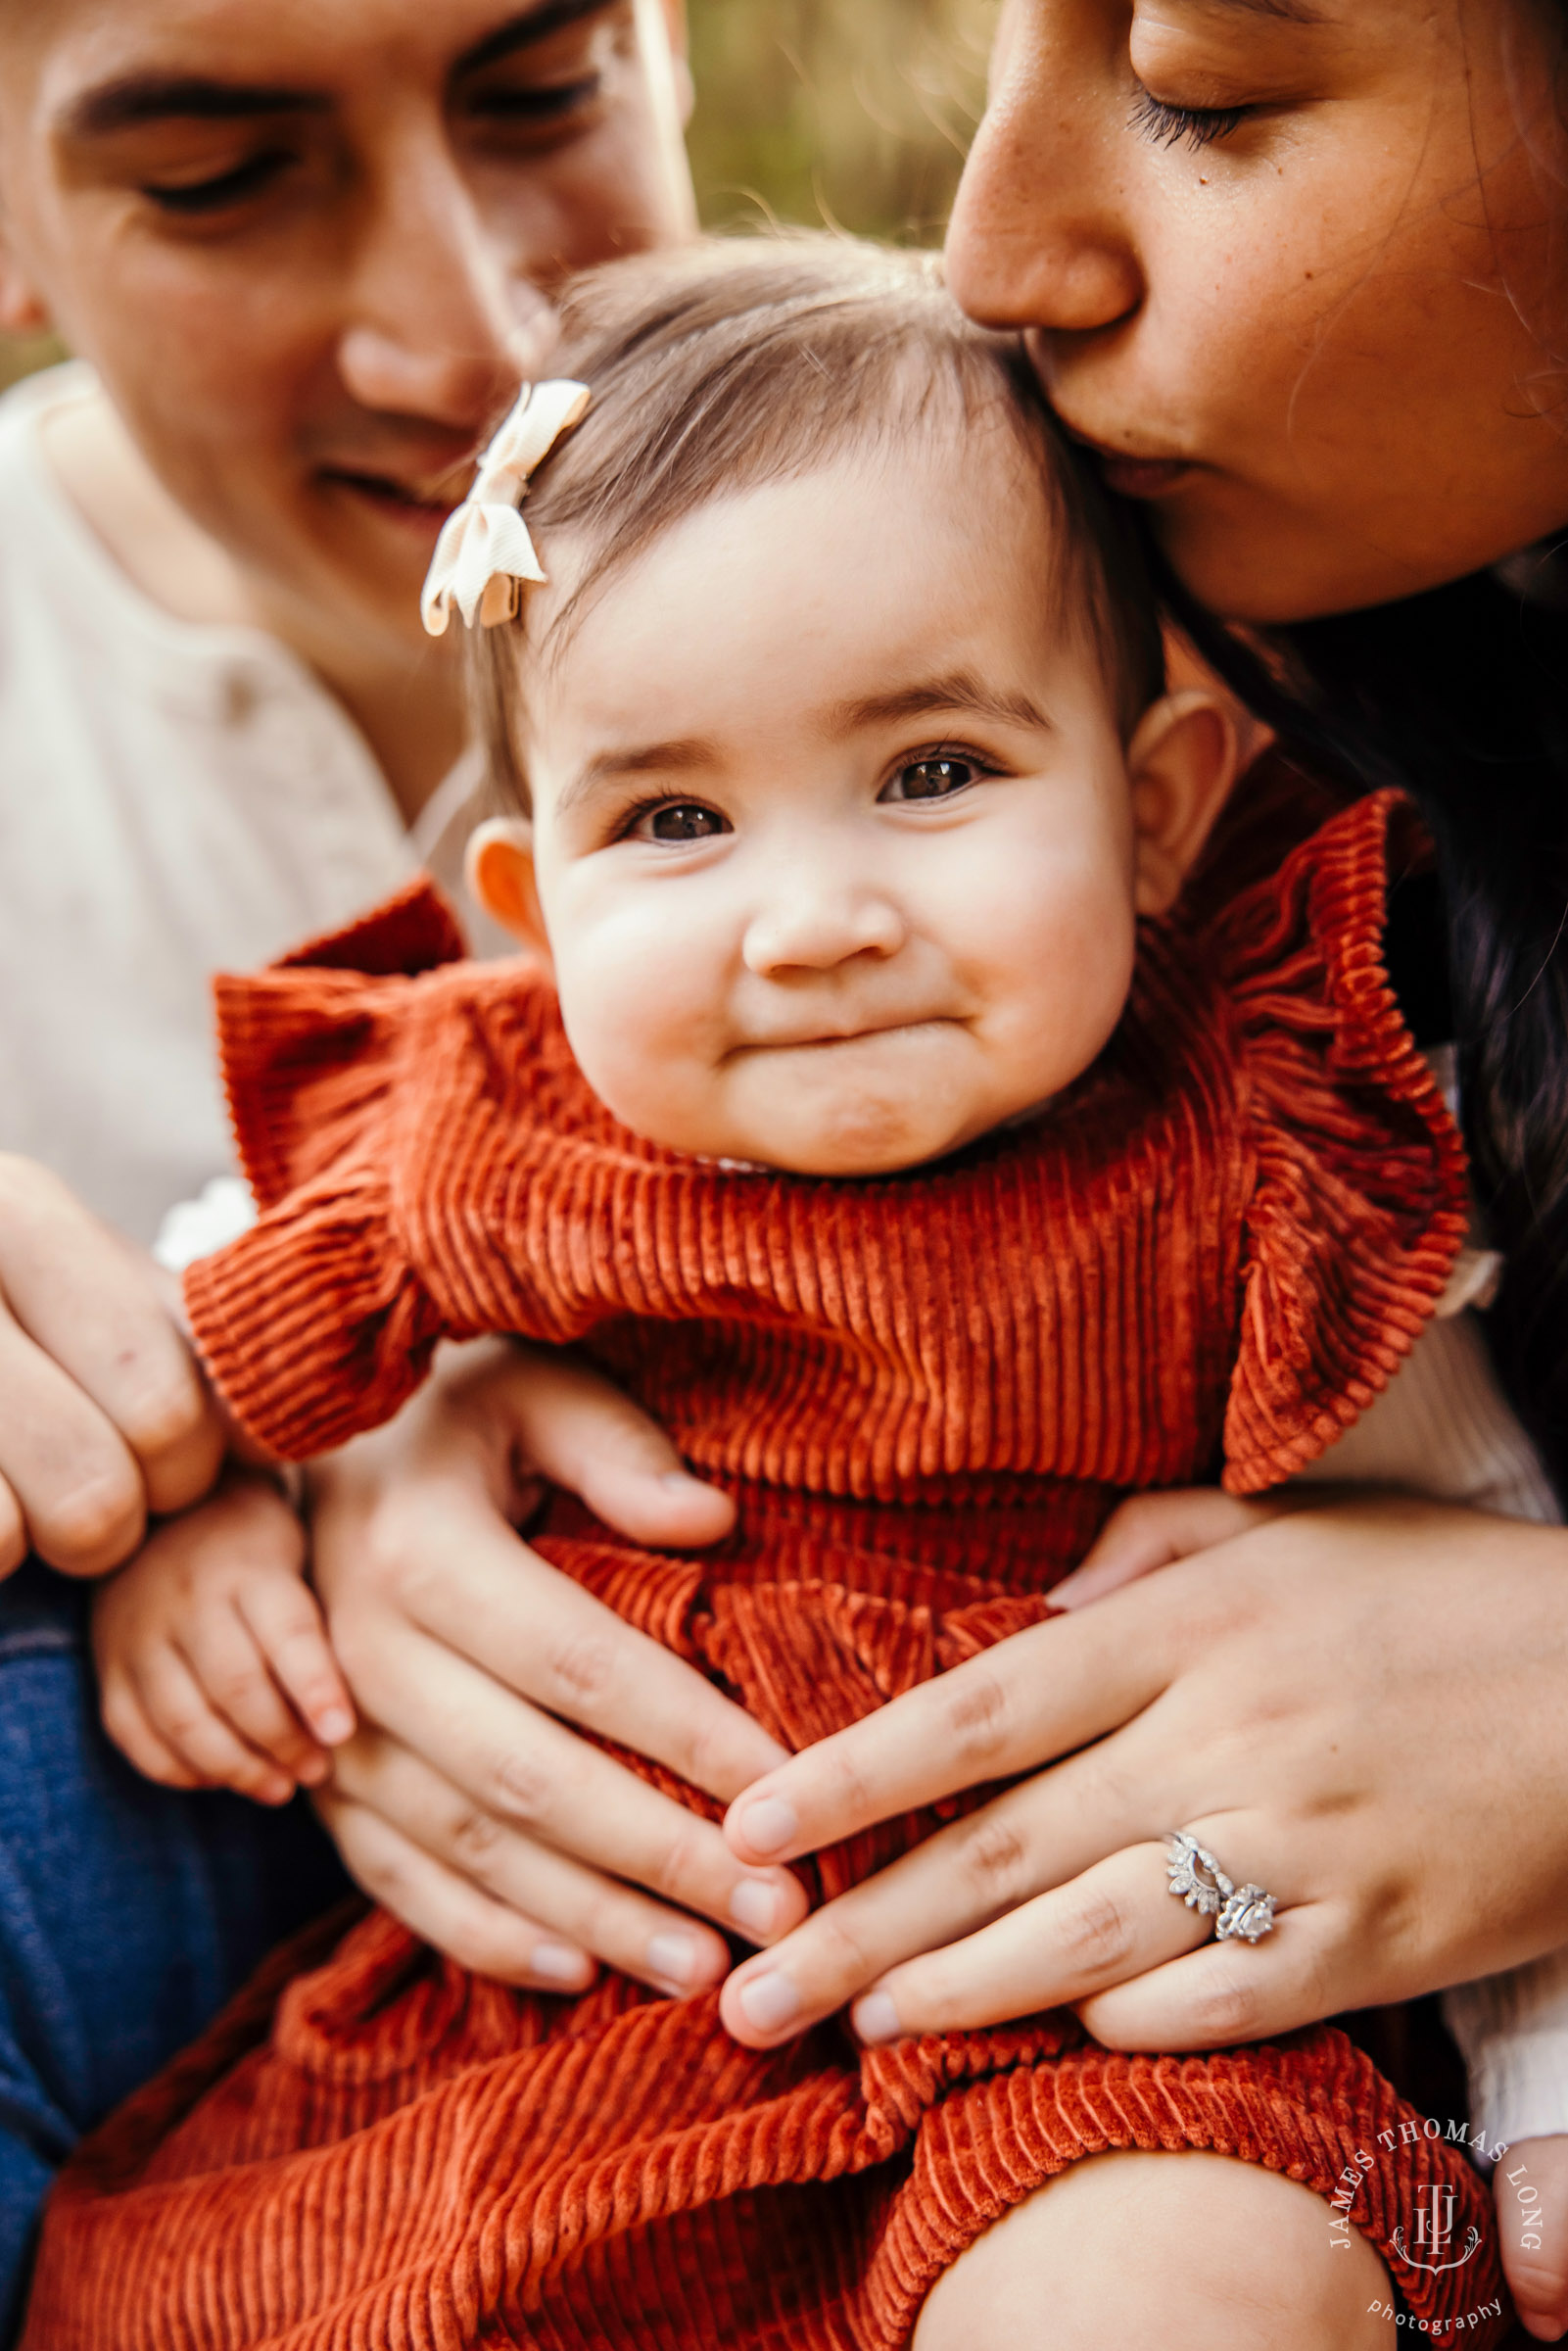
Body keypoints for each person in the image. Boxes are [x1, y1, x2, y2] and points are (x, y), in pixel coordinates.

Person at [8, 0, 1568, 2338]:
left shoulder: (1256, 1150)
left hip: (1081, 2044)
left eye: (932, 774)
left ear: (1162, 811)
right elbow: (194, 1332)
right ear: (526, 918)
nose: (811, 913)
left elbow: (1479, 1545)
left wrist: (1544, 2073)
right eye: (673, 823)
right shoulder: (483, 1110)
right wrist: (232, 1515)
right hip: (573, 2019)